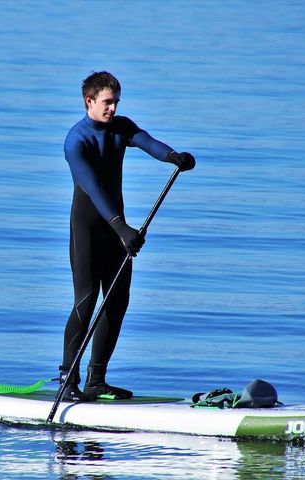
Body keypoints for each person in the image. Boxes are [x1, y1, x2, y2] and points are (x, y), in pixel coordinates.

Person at [60, 71, 195, 401]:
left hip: (116, 228)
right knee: (86, 301)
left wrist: (173, 157)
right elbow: (92, 187)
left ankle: (96, 380)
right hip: (89, 228)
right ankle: (67, 380)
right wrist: (121, 227)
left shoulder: (121, 127)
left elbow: (147, 142)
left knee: (118, 300)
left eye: (116, 102)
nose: (113, 108)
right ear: (89, 101)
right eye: (107, 102)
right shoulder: (76, 141)